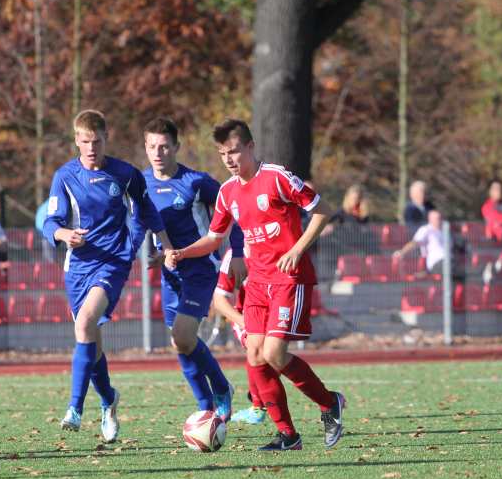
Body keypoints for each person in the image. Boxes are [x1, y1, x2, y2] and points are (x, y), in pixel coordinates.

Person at [166, 119, 345, 452]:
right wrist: (184, 252)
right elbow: (214, 238)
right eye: (223, 154)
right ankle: (288, 436)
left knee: (274, 353)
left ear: (250, 147)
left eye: (234, 151)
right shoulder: (227, 192)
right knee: (255, 354)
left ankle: (329, 402)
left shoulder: (277, 178)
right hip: (258, 281)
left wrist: (296, 250)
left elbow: (323, 211)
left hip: (288, 277)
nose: (230, 159)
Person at [43, 109, 171, 442]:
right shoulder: (65, 176)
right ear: (76, 140)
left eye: (96, 141)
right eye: (85, 141)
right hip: (79, 266)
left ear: (105, 139)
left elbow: (146, 210)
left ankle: (74, 407)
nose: (91, 148)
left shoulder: (125, 174)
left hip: (113, 262)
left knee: (85, 323)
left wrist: (163, 245)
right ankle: (108, 401)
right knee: (92, 345)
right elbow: (50, 221)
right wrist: (64, 235)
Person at [141, 117, 241, 420]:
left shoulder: (196, 182)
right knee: (179, 343)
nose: (158, 153)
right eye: (152, 147)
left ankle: (221, 388)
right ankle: (205, 407)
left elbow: (233, 208)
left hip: (200, 270)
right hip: (169, 274)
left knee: (183, 337)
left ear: (176, 147)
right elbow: (138, 223)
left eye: (164, 147)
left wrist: (236, 250)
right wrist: (155, 255)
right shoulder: (141, 183)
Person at [210, 251, 266, 426]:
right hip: (246, 317)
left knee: (275, 357)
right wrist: (245, 323)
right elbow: (219, 300)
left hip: (275, 311)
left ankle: (328, 401)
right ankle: (258, 406)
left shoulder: (275, 246)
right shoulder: (234, 255)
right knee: (255, 347)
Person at [393, 209, 448, 275]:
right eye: (437, 218)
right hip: (437, 263)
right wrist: (402, 252)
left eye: (440, 218)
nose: (439, 220)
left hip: (449, 262)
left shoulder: (445, 231)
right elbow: (414, 243)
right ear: (430, 219)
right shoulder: (425, 230)